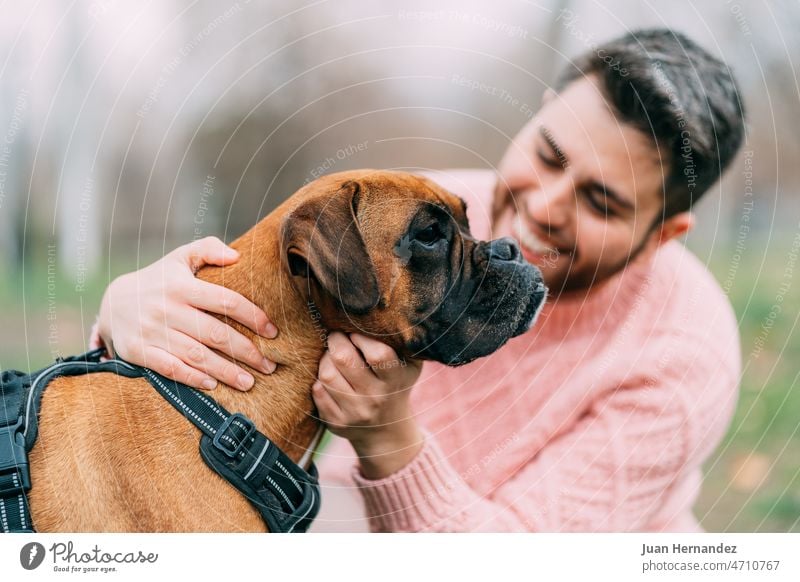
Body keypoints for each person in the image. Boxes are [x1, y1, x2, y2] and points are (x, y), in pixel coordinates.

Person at [91, 28, 746, 532]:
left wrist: (388, 438)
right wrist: (129, 310)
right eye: (548, 154)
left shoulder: (685, 357)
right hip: (338, 513)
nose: (543, 206)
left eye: (601, 202)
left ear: (664, 234)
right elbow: (253, 309)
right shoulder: (432, 217)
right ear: (538, 115)